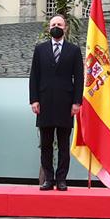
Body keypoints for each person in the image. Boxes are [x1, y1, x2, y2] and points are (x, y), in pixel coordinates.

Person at [29, 14, 83, 191]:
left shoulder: (74, 50)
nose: (56, 27)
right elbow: (34, 77)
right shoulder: (40, 49)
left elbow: (80, 78)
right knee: (45, 144)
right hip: (44, 103)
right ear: (48, 28)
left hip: (66, 104)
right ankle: (49, 179)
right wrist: (34, 100)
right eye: (53, 24)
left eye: (59, 24)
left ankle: (61, 179)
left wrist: (77, 102)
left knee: (63, 145)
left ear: (65, 27)